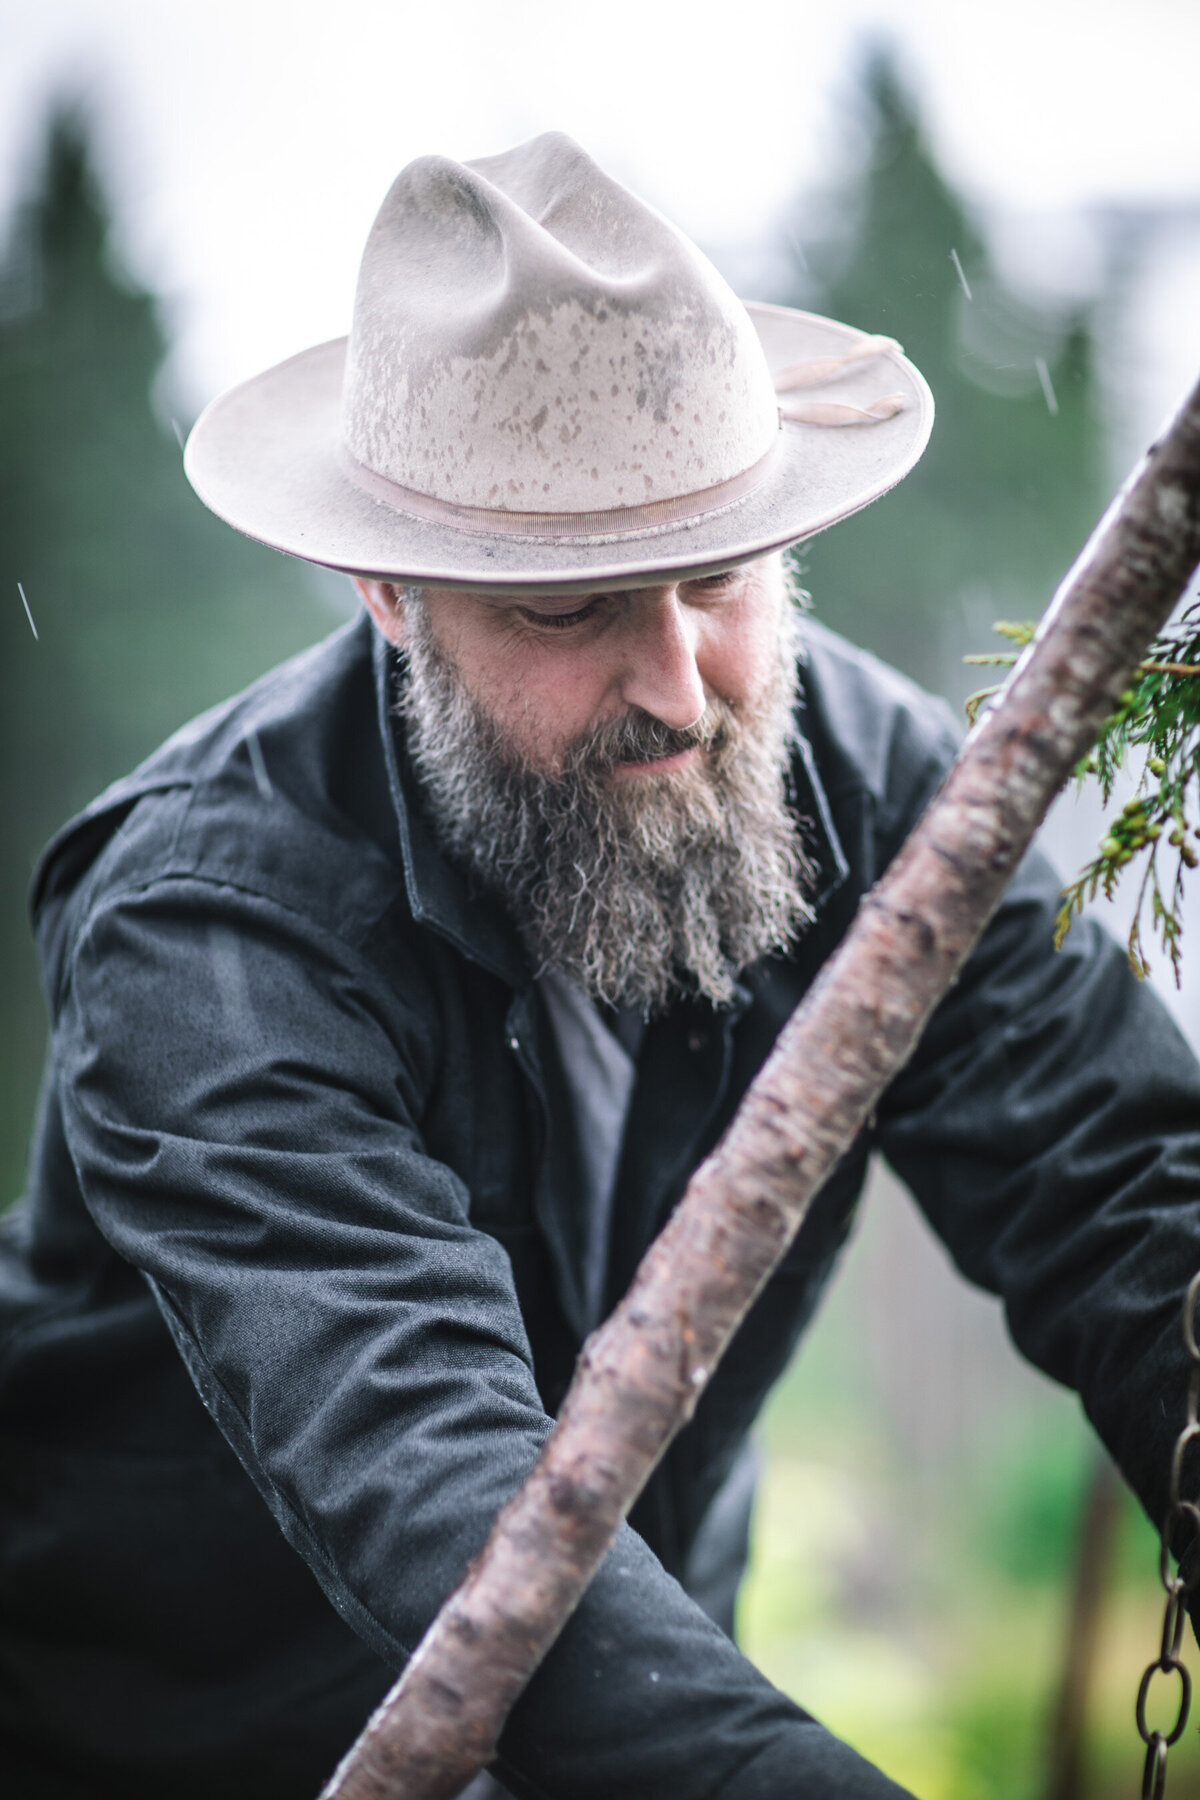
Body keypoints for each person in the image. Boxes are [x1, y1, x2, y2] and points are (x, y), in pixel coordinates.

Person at [1, 132, 1197, 1800]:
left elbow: (1133, 1199)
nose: (681, 688)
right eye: (570, 609)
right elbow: (437, 1477)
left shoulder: (883, 798)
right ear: (391, 592)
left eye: (715, 577)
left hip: (653, 1716)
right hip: (190, 1743)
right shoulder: (202, 928)